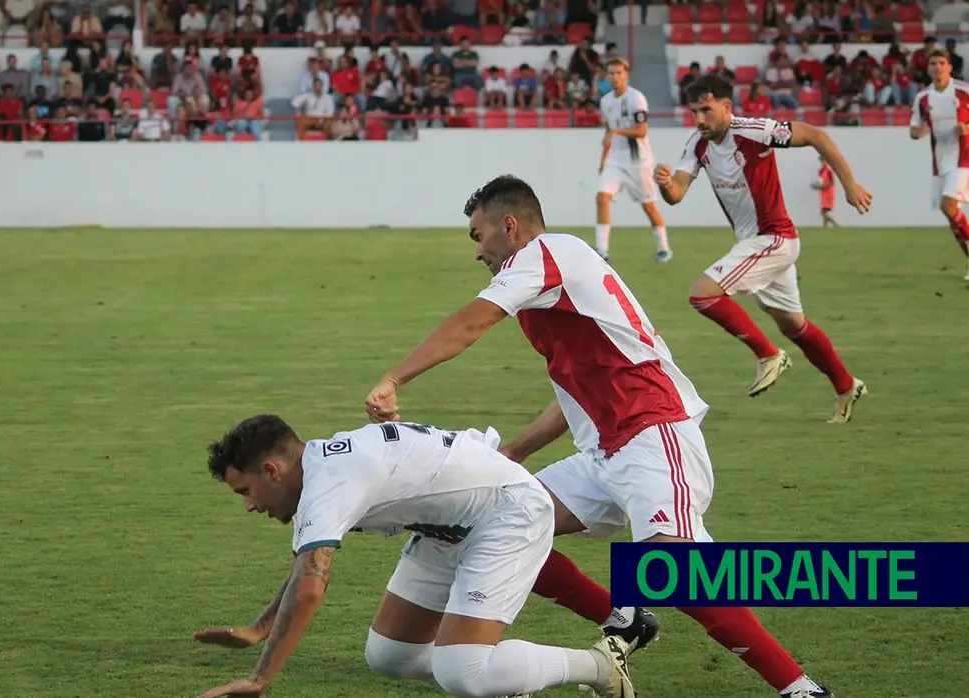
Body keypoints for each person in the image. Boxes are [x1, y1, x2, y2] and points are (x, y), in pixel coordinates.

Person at [364, 175, 837, 698]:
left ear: (510, 225)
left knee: (675, 572)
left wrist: (393, 380)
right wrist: (516, 454)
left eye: (479, 236)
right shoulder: (551, 285)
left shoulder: (548, 253)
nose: (478, 251)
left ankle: (800, 688)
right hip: (603, 455)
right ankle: (626, 617)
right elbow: (573, 396)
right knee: (500, 525)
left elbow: (472, 322)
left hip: (656, 436)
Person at [194, 415, 635, 698]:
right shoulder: (324, 470)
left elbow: (310, 589)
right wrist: (258, 629)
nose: (249, 505)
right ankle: (521, 666)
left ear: (271, 470)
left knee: (463, 672)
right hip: (454, 526)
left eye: (245, 492)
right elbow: (302, 574)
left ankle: (600, 664)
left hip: (513, 510)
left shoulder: (329, 482)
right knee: (390, 655)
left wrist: (259, 680)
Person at [655, 74, 871, 423]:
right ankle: (847, 386)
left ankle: (768, 354)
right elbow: (677, 193)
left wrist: (849, 184)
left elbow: (815, 135)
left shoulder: (755, 130)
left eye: (706, 110)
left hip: (774, 238)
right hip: (755, 245)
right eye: (694, 111)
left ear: (727, 107)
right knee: (795, 327)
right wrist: (665, 184)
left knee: (703, 294)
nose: (699, 119)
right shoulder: (697, 144)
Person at [594, 58, 671, 262]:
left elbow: (642, 131)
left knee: (648, 206)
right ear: (607, 76)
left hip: (639, 163)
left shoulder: (636, 99)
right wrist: (603, 159)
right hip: (615, 161)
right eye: (611, 73)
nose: (615, 77)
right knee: (602, 198)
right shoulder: (605, 101)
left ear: (626, 74)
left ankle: (664, 248)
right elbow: (608, 132)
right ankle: (602, 250)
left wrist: (617, 131)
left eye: (619, 72)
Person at [910, 48, 969, 281]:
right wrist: (920, 131)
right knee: (952, 215)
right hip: (940, 163)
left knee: (948, 206)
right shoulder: (923, 98)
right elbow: (914, 130)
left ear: (949, 67)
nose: (937, 67)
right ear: (928, 69)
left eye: (941, 63)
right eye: (933, 63)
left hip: (964, 159)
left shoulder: (964, 91)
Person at [812, 156, 838, 228]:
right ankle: (825, 226)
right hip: (823, 193)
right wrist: (816, 186)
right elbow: (820, 182)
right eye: (822, 161)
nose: (823, 162)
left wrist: (823, 186)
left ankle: (835, 224)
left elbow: (832, 182)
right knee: (824, 211)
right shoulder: (820, 171)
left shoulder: (829, 171)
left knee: (823, 211)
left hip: (829, 192)